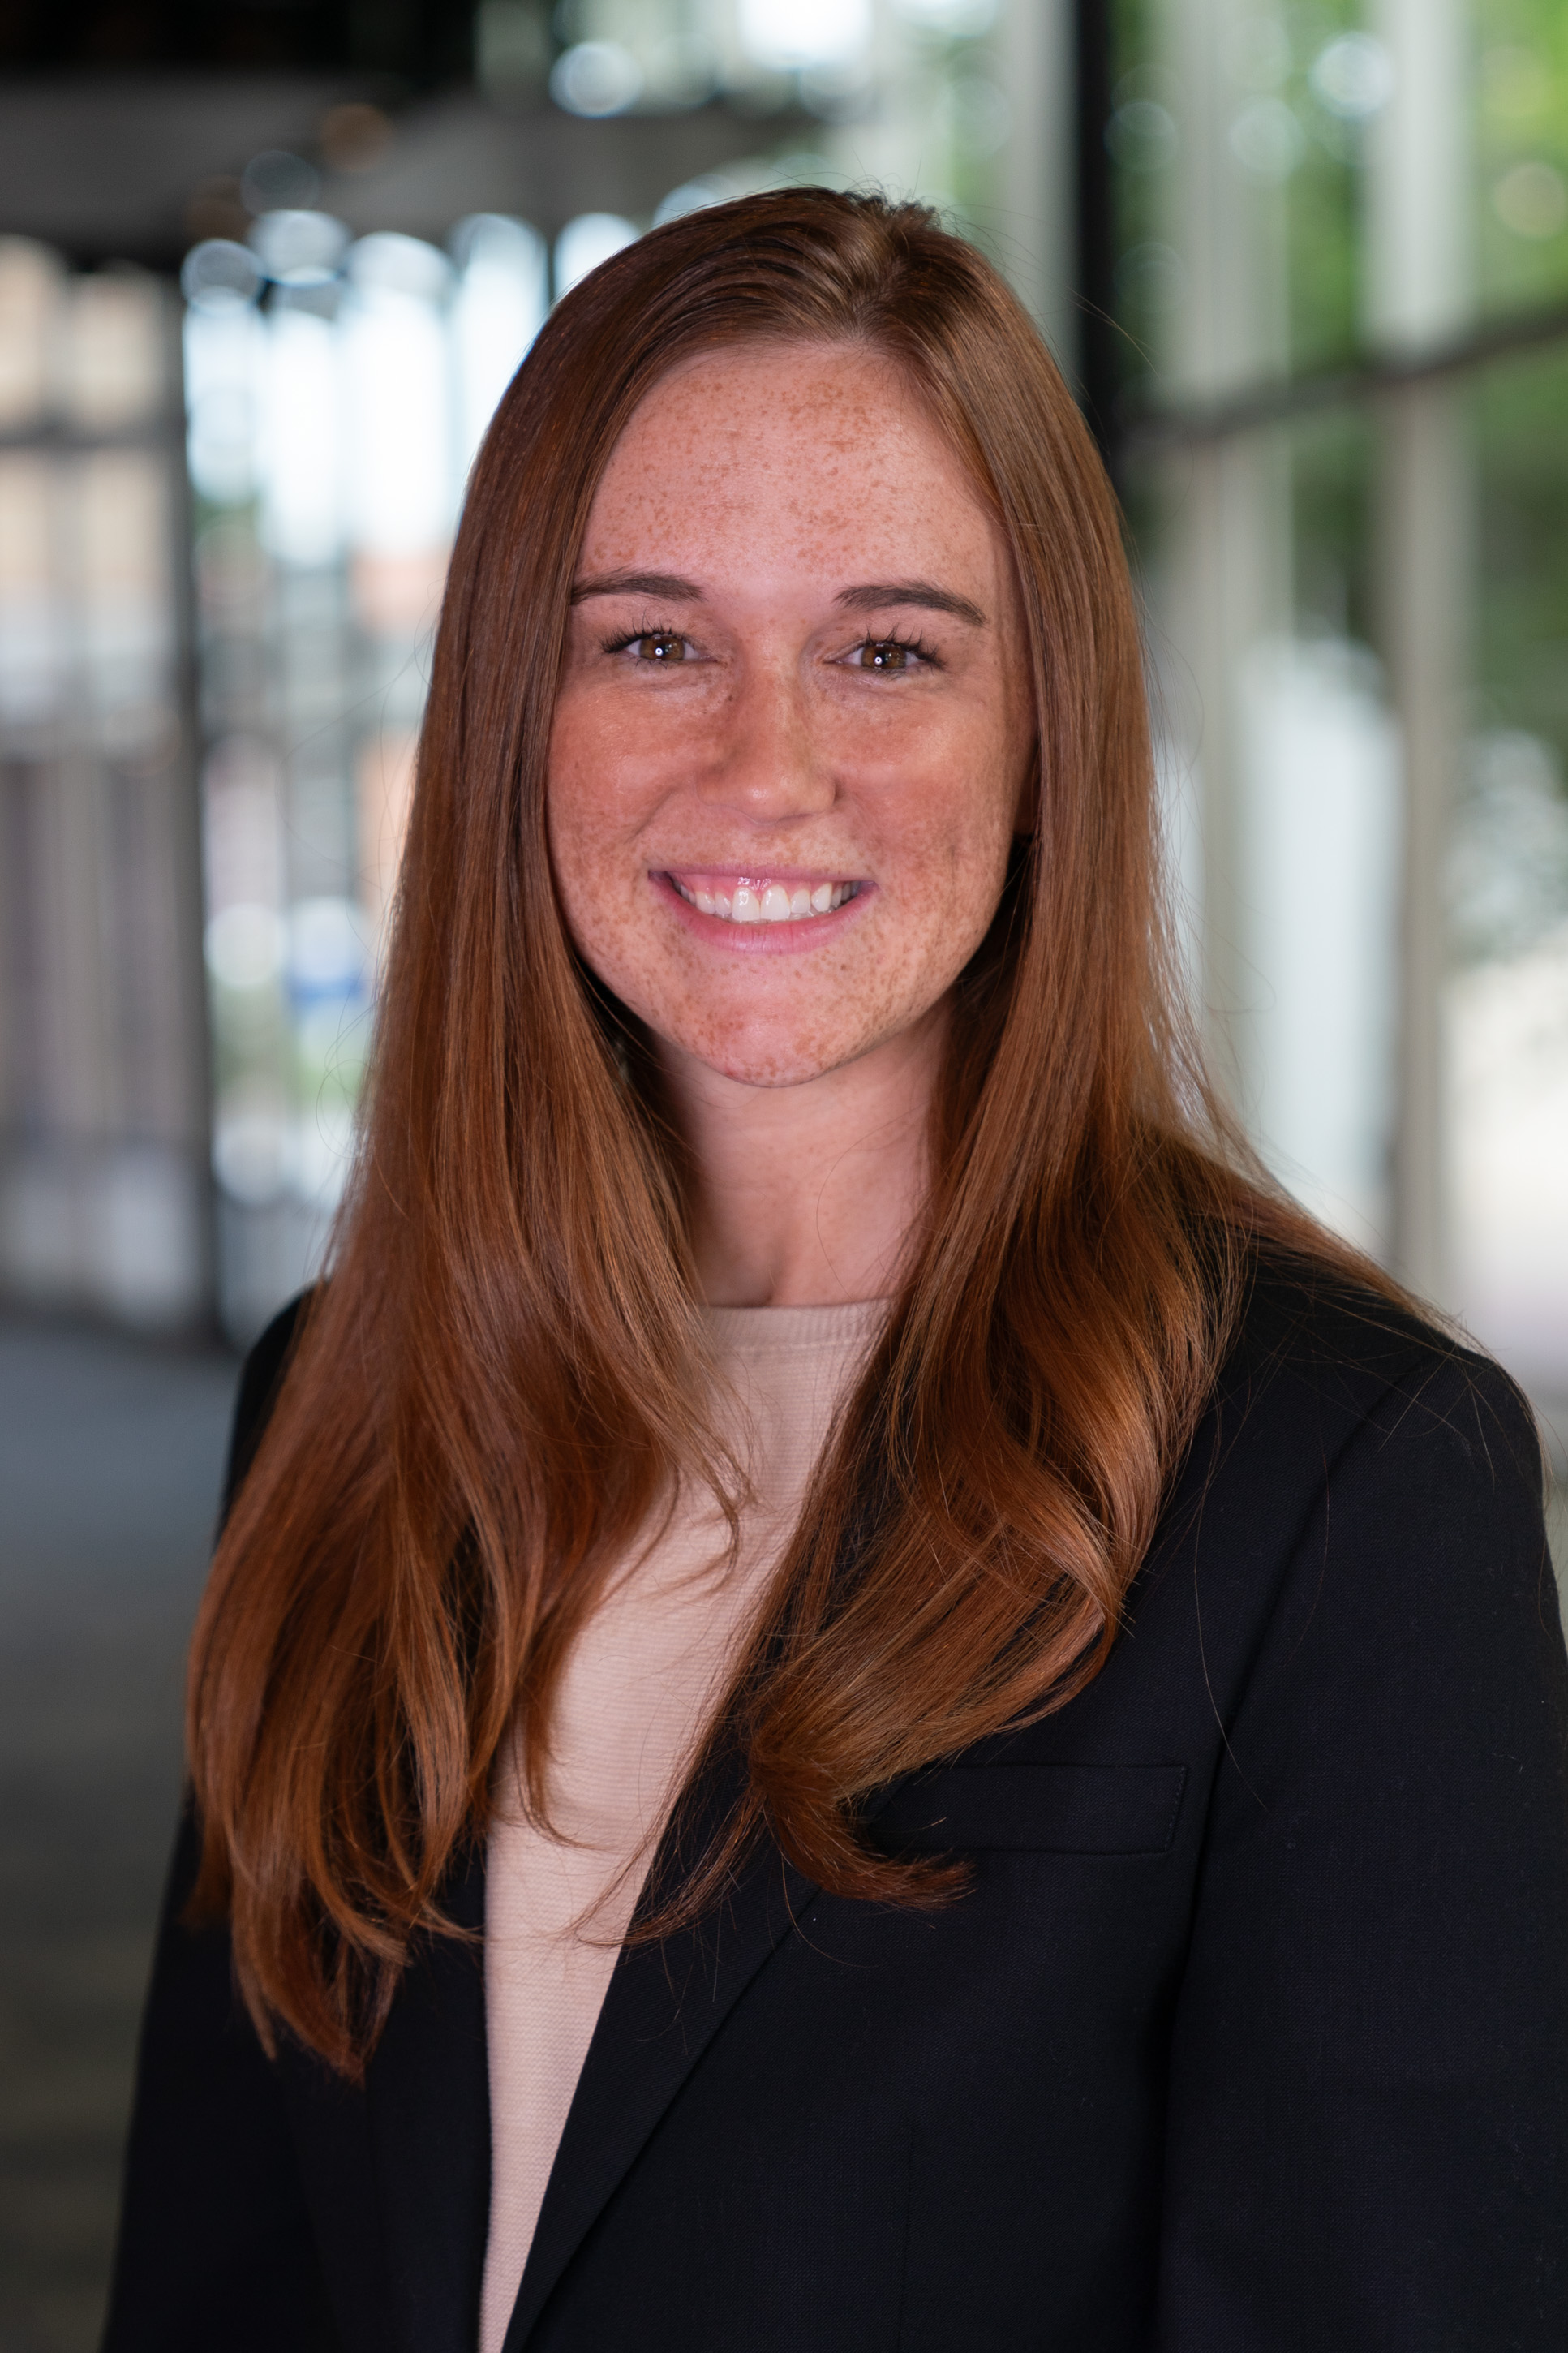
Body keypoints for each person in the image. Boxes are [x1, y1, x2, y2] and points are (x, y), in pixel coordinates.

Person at [104, 191, 1567, 2353]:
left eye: (889, 650)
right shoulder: (346, 1392)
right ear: (518, 707)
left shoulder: (1348, 1481)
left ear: (1045, 722)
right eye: (654, 641)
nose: (767, 765)